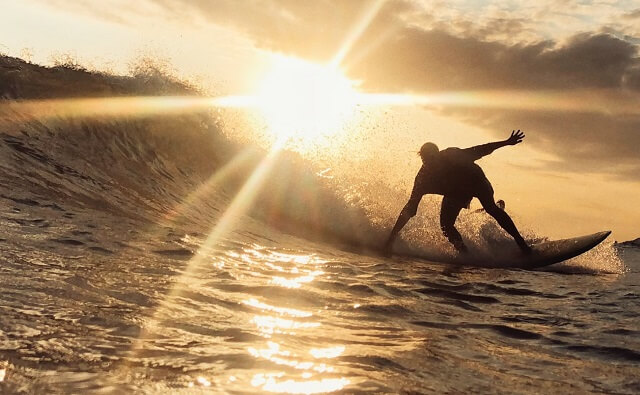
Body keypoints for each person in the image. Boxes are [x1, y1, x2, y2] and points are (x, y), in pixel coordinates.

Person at [384, 130, 531, 255]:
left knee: (490, 208)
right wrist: (391, 238)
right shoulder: (423, 179)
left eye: (432, 158)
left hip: (476, 182)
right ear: (421, 158)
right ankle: (465, 254)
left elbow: (481, 149)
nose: (430, 163)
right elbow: (410, 208)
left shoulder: (452, 155)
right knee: (446, 226)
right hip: (456, 193)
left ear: (438, 154)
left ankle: (523, 246)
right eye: (425, 160)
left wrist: (506, 142)